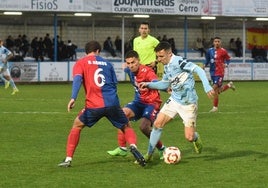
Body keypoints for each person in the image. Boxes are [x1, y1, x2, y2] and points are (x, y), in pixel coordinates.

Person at [58, 41, 146, 168]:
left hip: (93, 106)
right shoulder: (108, 63)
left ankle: (68, 159)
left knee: (77, 125)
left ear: (86, 52)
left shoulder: (81, 63)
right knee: (126, 126)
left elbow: (77, 79)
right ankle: (132, 146)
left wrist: (73, 98)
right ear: (98, 51)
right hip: (112, 103)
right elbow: (114, 84)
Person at [139, 41, 215, 161]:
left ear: (169, 54)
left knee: (189, 137)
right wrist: (148, 85)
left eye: (161, 56)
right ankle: (148, 154)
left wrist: (207, 86)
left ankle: (196, 138)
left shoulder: (179, 61)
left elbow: (199, 70)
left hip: (188, 104)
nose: (158, 59)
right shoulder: (166, 66)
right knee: (158, 124)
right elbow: (164, 84)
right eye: (157, 56)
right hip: (174, 100)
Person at [107, 50, 165, 160]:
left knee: (143, 127)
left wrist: (152, 84)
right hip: (139, 102)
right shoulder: (129, 71)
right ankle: (122, 148)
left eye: (133, 62)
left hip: (152, 103)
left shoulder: (147, 71)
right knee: (121, 115)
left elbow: (156, 82)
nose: (131, 66)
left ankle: (161, 148)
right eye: (128, 63)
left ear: (138, 61)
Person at [205, 37, 236, 113]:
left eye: (218, 41)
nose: (217, 43)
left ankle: (215, 107)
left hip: (220, 72)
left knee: (214, 87)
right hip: (212, 72)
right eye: (215, 41)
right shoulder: (209, 51)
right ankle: (229, 85)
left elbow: (228, 59)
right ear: (213, 42)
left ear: (220, 42)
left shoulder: (223, 51)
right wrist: (204, 65)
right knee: (217, 91)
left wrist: (226, 64)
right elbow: (207, 60)